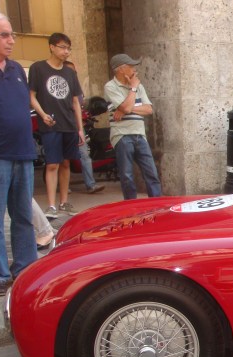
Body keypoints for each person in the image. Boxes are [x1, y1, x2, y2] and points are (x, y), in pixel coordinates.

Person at [0, 9, 37, 296]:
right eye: (4, 35)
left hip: (22, 153)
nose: (11, 41)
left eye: (12, 34)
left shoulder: (15, 70)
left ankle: (25, 268)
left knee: (23, 216)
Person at [29, 32, 85, 219]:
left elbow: (76, 101)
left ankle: (64, 202)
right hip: (50, 123)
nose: (66, 51)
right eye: (62, 47)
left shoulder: (70, 72)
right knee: (52, 163)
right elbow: (32, 96)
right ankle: (51, 205)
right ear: (51, 46)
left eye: (68, 48)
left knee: (66, 163)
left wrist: (80, 128)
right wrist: (42, 114)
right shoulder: (38, 68)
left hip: (68, 123)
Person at [104, 53, 162, 200]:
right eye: (131, 66)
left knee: (151, 173)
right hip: (122, 135)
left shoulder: (139, 85)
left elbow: (148, 109)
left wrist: (125, 109)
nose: (135, 69)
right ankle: (131, 207)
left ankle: (156, 204)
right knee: (127, 176)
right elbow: (127, 107)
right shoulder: (111, 86)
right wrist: (133, 89)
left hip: (139, 134)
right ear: (121, 69)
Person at [64, 60, 104, 195]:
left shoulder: (77, 89)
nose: (73, 74)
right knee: (64, 159)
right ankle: (65, 186)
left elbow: (80, 106)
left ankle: (91, 184)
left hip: (78, 127)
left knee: (85, 155)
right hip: (64, 127)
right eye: (71, 72)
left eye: (74, 72)